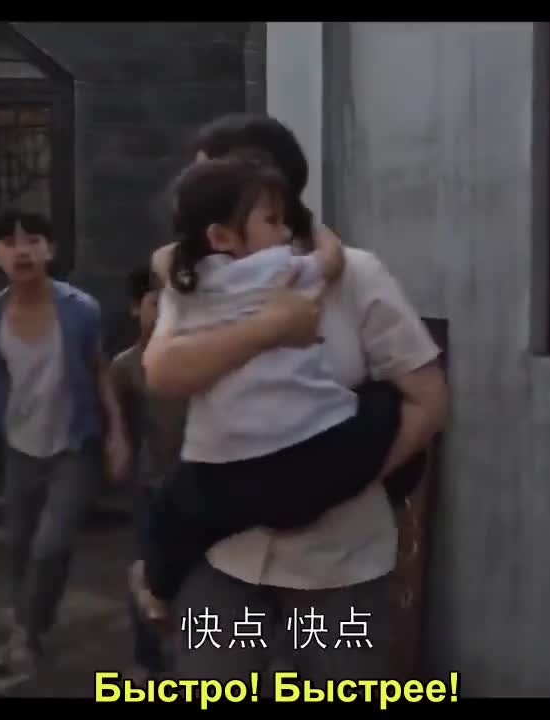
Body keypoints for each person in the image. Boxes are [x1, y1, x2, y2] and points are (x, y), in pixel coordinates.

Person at [136, 114, 450, 690]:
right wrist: (269, 328)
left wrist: (326, 485)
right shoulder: (198, 277)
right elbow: (162, 372)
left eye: (214, 178)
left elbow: (427, 402)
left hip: (339, 558)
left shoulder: (355, 275)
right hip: (225, 548)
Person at [0, 209, 132, 674]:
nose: (22, 250)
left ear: (50, 250)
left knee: (51, 545)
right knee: (18, 544)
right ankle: (32, 624)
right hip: (20, 446)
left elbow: (100, 370)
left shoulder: (80, 308)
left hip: (75, 445)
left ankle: (25, 633)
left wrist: (117, 434)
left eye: (33, 240)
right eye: (9, 242)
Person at [111, 264, 185, 682]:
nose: (164, 312)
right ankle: (147, 660)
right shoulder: (125, 367)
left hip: (194, 479)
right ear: (134, 307)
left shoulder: (195, 355)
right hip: (151, 482)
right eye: (156, 303)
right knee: (147, 569)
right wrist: (119, 450)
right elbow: (119, 424)